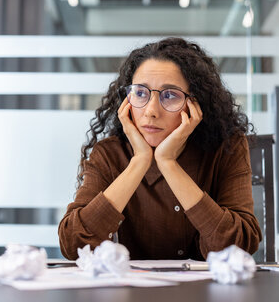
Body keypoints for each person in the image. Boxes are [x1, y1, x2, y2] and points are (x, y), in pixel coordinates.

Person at [58, 37, 262, 260]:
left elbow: (236, 249)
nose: (151, 111)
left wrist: (168, 163)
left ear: (195, 104)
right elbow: (73, 245)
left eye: (170, 95)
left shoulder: (227, 149)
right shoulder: (109, 154)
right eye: (140, 93)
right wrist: (139, 161)